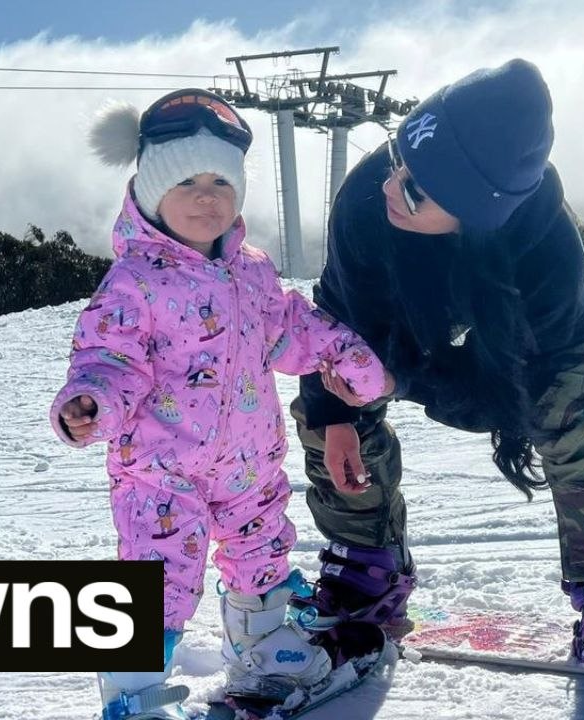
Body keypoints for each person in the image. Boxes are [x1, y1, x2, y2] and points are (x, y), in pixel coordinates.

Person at [289, 59, 584, 667]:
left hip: (521, 299)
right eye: (397, 160)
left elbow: (511, 398)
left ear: (476, 209)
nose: (392, 186)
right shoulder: (371, 200)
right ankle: (366, 562)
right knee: (334, 389)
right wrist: (338, 413)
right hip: (412, 287)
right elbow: (337, 321)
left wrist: (407, 378)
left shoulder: (549, 261)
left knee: (573, 408)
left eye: (416, 189)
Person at [51, 89, 392, 720]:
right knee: (158, 581)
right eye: (187, 181)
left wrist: (344, 355)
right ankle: (134, 694)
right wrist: (91, 401)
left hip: (248, 466)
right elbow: (109, 358)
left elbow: (290, 327)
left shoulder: (253, 270)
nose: (207, 196)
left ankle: (266, 650)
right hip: (161, 473)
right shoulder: (135, 281)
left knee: (262, 555)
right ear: (152, 192)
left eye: (220, 181)